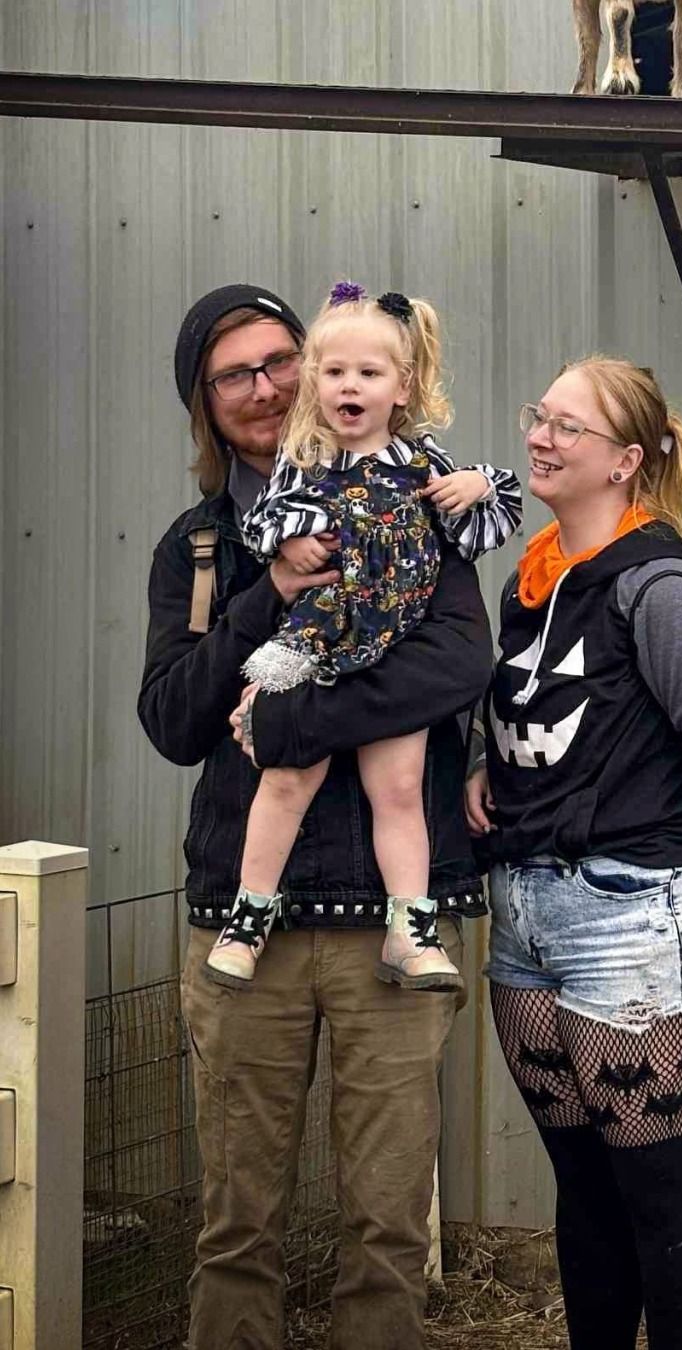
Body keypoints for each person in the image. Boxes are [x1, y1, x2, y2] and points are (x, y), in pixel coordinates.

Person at [138, 283, 492, 1350]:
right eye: (232, 374)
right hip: (245, 922)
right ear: (206, 402)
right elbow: (173, 717)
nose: (265, 387)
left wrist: (296, 720)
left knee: (386, 1227)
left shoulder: (413, 503)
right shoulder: (200, 547)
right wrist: (271, 594)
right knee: (236, 1221)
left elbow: (456, 662)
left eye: (277, 360)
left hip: (391, 924)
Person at [465, 356, 682, 1350]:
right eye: (537, 416)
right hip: (522, 914)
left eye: (568, 428)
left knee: (656, 1188)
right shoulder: (532, 574)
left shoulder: (657, 587)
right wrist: (488, 769)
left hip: (631, 916)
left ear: (626, 461)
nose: (539, 439)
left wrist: (666, 864)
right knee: (585, 1183)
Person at [204, 281, 521, 994]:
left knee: (400, 789)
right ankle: (248, 916)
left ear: (402, 388)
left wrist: (479, 485)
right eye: (335, 372)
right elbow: (261, 526)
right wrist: (296, 544)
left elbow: (490, 519)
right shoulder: (305, 464)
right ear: (314, 382)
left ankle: (409, 929)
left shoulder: (425, 466)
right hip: (316, 644)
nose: (351, 386)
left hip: (395, 649)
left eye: (369, 374)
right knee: (286, 775)